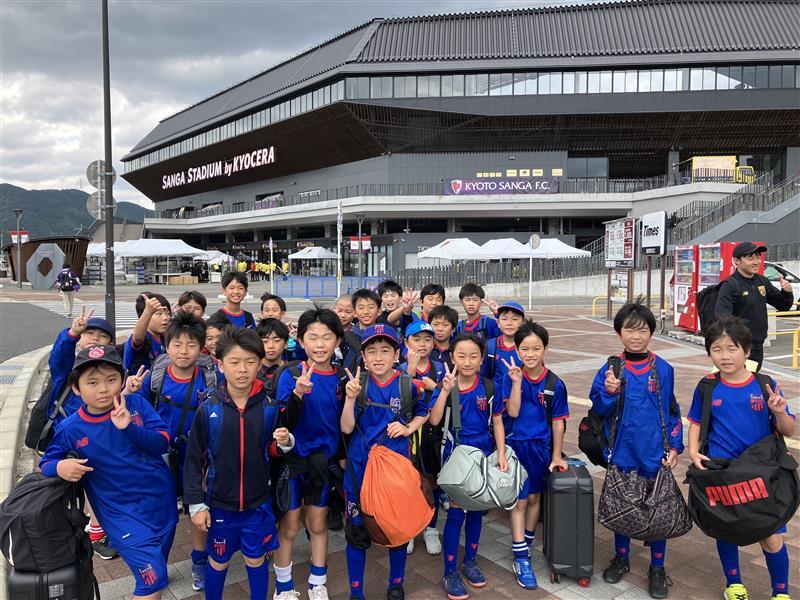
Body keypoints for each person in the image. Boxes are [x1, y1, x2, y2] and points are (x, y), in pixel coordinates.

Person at [40, 344, 178, 599]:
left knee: (157, 567)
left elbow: (162, 442)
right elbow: (47, 462)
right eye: (92, 382)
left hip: (161, 503)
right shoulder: (70, 428)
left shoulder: (136, 404)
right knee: (153, 579)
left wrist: (130, 427)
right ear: (76, 388)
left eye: (111, 380)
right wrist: (60, 466)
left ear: (122, 380)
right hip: (120, 513)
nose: (103, 389)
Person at [687, 316, 796, 600]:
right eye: (717, 349)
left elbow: (789, 430)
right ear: (709, 352)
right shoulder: (707, 386)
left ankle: (781, 592)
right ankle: (734, 585)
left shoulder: (764, 384)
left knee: (770, 534)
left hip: (761, 473)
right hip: (722, 472)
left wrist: (780, 412)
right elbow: (696, 421)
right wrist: (693, 451)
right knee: (726, 529)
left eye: (732, 348)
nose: (725, 356)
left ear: (746, 351)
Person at [184, 328, 295, 600]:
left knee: (256, 560)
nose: (242, 369)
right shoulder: (209, 408)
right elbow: (194, 459)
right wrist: (196, 504)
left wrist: (285, 442)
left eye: (250, 361)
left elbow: (272, 450)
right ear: (221, 365)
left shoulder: (269, 407)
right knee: (218, 561)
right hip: (220, 503)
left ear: (259, 363)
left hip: (258, 503)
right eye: (234, 362)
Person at [589, 300, 683, 599]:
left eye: (642, 330)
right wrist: (609, 391)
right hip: (622, 452)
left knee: (658, 510)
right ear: (619, 333)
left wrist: (675, 446)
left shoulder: (664, 369)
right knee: (622, 508)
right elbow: (599, 409)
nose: (636, 336)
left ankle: (657, 567)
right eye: (629, 330)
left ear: (651, 333)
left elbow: (672, 411)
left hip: (654, 454)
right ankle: (621, 557)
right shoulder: (611, 368)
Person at [340, 324, 428, 600]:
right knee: (356, 533)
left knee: (396, 530)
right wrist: (350, 399)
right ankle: (356, 592)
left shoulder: (408, 385)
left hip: (395, 473)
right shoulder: (357, 385)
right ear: (364, 357)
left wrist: (408, 428)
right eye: (372, 351)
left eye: (385, 351)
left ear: (397, 355)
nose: (378, 357)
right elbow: (346, 427)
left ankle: (396, 585)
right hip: (359, 472)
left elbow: (424, 413)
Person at [130, 311, 213, 591]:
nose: (183, 351)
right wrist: (130, 393)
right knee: (162, 514)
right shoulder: (156, 376)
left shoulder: (210, 378)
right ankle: (158, 563)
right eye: (177, 344)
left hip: (196, 457)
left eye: (191, 345)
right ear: (166, 346)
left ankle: (199, 561)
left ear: (201, 348)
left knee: (197, 509)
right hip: (161, 456)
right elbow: (137, 410)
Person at [274, 307, 345, 600]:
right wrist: (298, 393)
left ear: (337, 341)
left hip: (322, 463)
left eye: (326, 337)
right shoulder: (291, 374)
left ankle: (318, 582)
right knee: (289, 526)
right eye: (312, 337)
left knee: (317, 523)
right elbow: (281, 421)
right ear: (301, 341)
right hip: (293, 462)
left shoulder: (343, 378)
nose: (320, 344)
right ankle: (283, 586)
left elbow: (344, 425)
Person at [429, 333, 507, 600]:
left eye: (474, 356)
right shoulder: (447, 384)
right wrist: (444, 390)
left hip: (483, 455)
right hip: (456, 456)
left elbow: (497, 421)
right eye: (461, 355)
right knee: (456, 513)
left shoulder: (489, 387)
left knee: (476, 511)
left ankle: (470, 561)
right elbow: (434, 420)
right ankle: (450, 571)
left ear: (482, 358)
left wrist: (501, 454)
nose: (467, 361)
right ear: (452, 357)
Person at [502, 321, 568, 589]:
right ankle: (521, 557)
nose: (530, 354)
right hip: (516, 447)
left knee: (533, 498)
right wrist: (517, 383)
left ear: (546, 349)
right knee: (518, 501)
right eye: (524, 349)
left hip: (540, 449)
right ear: (517, 350)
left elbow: (558, 422)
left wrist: (556, 455)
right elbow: (513, 412)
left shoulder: (555, 383)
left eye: (536, 348)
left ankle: (526, 545)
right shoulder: (510, 377)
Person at [398, 320, 445, 556]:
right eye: (416, 339)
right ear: (406, 343)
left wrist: (435, 387)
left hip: (433, 435)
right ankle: (409, 529)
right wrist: (410, 371)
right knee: (408, 483)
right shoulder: (398, 368)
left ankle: (431, 528)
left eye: (427, 339)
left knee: (431, 482)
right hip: (406, 435)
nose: (422, 344)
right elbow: (398, 401)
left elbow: (450, 398)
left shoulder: (441, 368)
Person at [714, 242, 794, 371]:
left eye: (758, 257)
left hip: (757, 344)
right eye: (751, 258)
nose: (756, 262)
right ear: (736, 261)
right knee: (738, 379)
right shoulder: (730, 285)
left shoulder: (762, 281)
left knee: (752, 377)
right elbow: (722, 318)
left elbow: (783, 305)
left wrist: (787, 291)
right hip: (739, 347)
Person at [124, 293, 171, 374]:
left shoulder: (162, 338)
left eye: (168, 313)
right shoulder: (143, 339)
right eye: (159, 313)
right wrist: (148, 311)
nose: (165, 318)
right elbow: (137, 338)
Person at [255, 318, 288, 388]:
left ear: (286, 343)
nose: (270, 346)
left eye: (277, 340)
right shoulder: (252, 371)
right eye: (265, 341)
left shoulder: (292, 371)